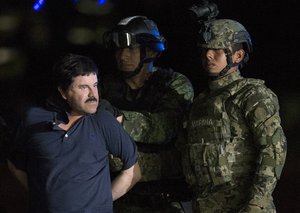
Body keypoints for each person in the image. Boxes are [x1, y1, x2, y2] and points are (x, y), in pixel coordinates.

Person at [7, 53, 141, 213]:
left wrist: (100, 202)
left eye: (95, 85)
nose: (93, 94)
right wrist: (42, 196)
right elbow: (15, 165)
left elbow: (133, 171)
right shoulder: (33, 119)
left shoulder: (102, 120)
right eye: (83, 87)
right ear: (63, 92)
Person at [181, 18, 287, 212]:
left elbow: (273, 150)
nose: (208, 55)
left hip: (243, 206)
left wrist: (257, 203)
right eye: (205, 49)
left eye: (218, 49)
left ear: (238, 55)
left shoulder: (252, 95)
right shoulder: (199, 103)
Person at [101, 16, 194, 212]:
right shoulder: (105, 87)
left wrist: (120, 119)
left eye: (130, 49)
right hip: (118, 198)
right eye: (118, 49)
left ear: (150, 51)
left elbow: (166, 128)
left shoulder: (174, 84)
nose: (122, 55)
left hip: (163, 197)